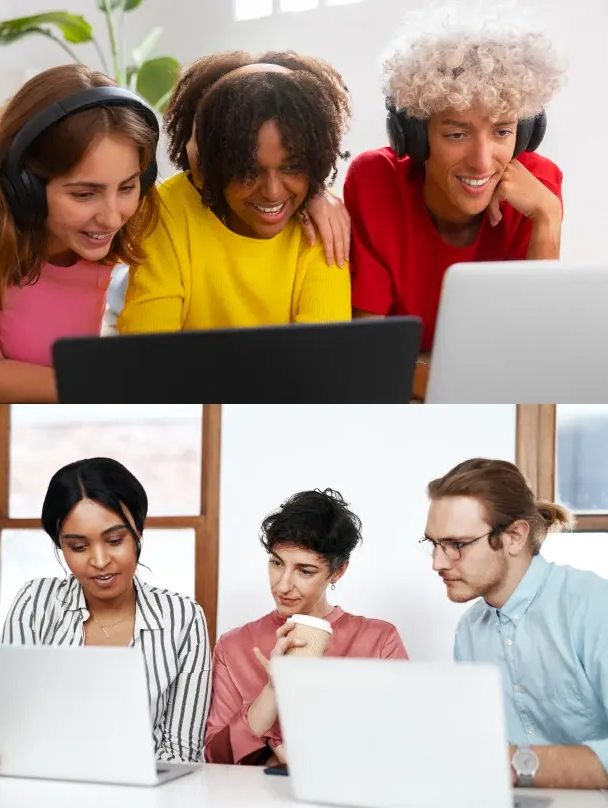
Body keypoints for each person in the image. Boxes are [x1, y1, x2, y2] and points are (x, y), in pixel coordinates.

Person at [0, 64, 158, 403]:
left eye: (127, 187)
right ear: (25, 185)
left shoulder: (126, 216)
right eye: (83, 194)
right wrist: (104, 387)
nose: (111, 218)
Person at [347, 2, 566, 395]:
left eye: (502, 132)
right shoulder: (374, 181)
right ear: (414, 136)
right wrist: (472, 384)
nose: (483, 162)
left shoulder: (538, 186)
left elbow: (540, 354)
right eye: (456, 134)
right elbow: (369, 353)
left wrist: (549, 217)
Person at [0, 457, 211, 774]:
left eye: (115, 540)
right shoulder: (36, 604)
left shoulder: (183, 618)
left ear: (138, 533)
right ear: (60, 547)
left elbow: (183, 753)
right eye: (78, 547)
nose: (100, 560)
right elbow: (8, 727)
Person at [115, 53, 352, 334]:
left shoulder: (323, 221)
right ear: (204, 164)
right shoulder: (167, 209)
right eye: (247, 170)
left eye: (292, 167)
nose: (273, 192)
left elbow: (322, 358)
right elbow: (148, 352)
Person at [426, 458, 608, 790]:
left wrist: (517, 764)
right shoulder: (468, 632)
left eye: (456, 545)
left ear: (514, 536)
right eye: (434, 545)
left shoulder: (593, 607)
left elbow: (498, 761)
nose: (438, 563)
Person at [206, 489, 407, 766]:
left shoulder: (379, 640)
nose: (283, 585)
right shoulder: (234, 645)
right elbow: (215, 758)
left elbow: (403, 746)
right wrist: (273, 690)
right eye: (276, 563)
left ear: (338, 571)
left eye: (305, 571)